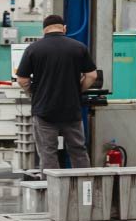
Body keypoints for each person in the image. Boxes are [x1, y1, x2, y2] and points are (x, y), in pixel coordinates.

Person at [15, 14, 99, 172]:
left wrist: (34, 92)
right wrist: (77, 89)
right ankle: (84, 189)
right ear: (64, 28)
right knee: (78, 151)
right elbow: (92, 75)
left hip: (44, 110)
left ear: (44, 30)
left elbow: (22, 79)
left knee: (48, 153)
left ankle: (52, 192)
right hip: (71, 109)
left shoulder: (33, 48)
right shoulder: (78, 47)